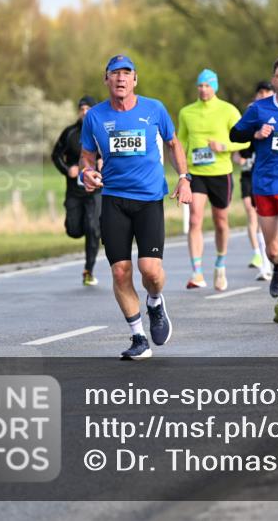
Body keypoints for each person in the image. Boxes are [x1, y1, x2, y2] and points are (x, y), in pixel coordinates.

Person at [80, 54, 192, 360]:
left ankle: (155, 302)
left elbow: (173, 144)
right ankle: (138, 337)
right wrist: (86, 172)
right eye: (115, 73)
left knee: (150, 271)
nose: (120, 78)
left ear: (135, 79)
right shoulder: (95, 117)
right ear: (106, 79)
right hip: (114, 199)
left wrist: (184, 178)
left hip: (149, 199)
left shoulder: (154, 109)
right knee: (120, 272)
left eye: (126, 73)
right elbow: (87, 155)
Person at [230, 58, 278, 323]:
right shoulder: (258, 109)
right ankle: (276, 266)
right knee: (273, 249)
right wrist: (255, 134)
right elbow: (234, 135)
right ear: (274, 80)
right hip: (264, 184)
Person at [177, 69, 249, 291]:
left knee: (220, 221)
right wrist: (182, 172)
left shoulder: (228, 110)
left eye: (207, 85)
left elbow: (245, 140)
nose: (203, 89)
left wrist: (223, 146)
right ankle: (197, 272)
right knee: (194, 220)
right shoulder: (186, 112)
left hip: (220, 173)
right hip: (196, 173)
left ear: (214, 87)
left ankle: (220, 263)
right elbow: (180, 143)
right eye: (200, 85)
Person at [51, 95, 102, 286]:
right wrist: (67, 169)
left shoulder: (102, 131)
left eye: (88, 109)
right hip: (74, 191)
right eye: (82, 109)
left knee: (92, 228)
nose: (84, 112)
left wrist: (103, 161)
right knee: (74, 230)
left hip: (95, 191)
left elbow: (112, 152)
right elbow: (55, 155)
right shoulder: (70, 133)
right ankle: (86, 226)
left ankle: (89, 270)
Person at [237, 81, 274, 279]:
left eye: (267, 92)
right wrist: (254, 135)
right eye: (261, 92)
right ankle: (263, 262)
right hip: (252, 174)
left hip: (276, 174)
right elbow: (238, 141)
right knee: (256, 216)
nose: (263, 95)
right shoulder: (251, 113)